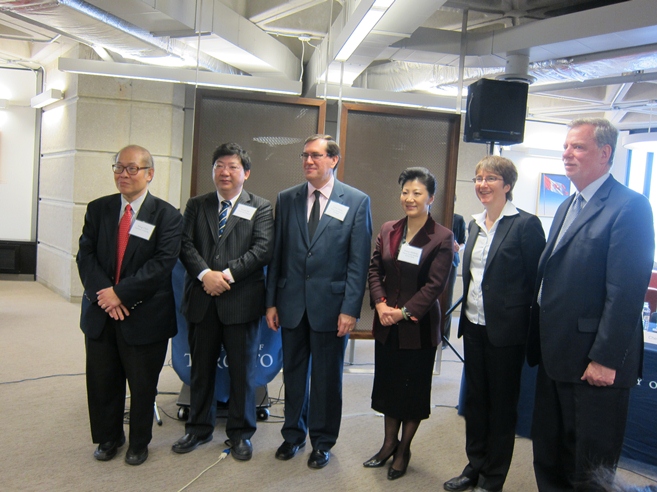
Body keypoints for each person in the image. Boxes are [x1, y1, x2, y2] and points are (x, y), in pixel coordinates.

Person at [527, 118, 655, 491]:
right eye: (566, 146)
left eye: (578, 147)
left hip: (593, 362)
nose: (567, 154)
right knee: (550, 453)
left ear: (604, 153)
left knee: (589, 465)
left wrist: (605, 359)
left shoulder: (630, 207)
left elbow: (625, 292)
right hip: (556, 354)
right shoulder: (568, 205)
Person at [265, 134, 372, 469]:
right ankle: (293, 435)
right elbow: (278, 254)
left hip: (332, 307)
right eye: (305, 155)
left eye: (315, 155)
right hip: (291, 304)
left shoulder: (356, 201)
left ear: (333, 160)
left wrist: (350, 309)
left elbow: (358, 261)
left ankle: (322, 442)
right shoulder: (287, 198)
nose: (308, 161)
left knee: (326, 379)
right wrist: (271, 302)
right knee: (294, 375)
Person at [444, 156, 545, 492]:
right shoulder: (474, 224)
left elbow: (536, 282)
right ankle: (474, 465)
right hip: (473, 326)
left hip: (507, 333)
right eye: (478, 178)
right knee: (476, 402)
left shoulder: (526, 225)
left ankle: (493, 477)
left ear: (508, 185)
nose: (482, 184)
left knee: (501, 406)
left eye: (490, 178)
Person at [77, 145, 183, 466]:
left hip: (145, 315)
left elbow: (161, 265)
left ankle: (139, 442)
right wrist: (106, 296)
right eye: (118, 167)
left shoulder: (167, 216)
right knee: (102, 381)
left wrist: (120, 295)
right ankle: (108, 438)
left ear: (149, 174)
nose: (123, 174)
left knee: (142, 385)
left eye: (132, 168)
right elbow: (86, 256)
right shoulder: (98, 209)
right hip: (101, 312)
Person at [171, 143, 274, 461]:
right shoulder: (196, 204)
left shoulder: (261, 207)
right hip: (202, 300)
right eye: (219, 166)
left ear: (246, 173)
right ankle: (198, 428)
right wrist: (205, 275)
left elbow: (262, 249)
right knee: (201, 370)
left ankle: (241, 433)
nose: (224, 172)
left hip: (241, 302)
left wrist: (225, 276)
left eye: (232, 166)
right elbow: (184, 244)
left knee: (242, 373)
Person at [365, 167, 454, 480]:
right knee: (389, 387)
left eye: (417, 193)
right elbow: (375, 270)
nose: (410, 198)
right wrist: (380, 304)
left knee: (412, 392)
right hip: (387, 324)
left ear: (431, 198)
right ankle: (388, 443)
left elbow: (435, 284)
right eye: (405, 192)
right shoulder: (389, 229)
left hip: (418, 327)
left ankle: (403, 450)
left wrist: (402, 312)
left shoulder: (442, 236)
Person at [443, 211, 466, 347]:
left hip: (452, 262)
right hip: (434, 261)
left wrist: (459, 248)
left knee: (447, 300)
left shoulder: (458, 219)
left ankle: (444, 337)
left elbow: (464, 242)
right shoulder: (433, 216)